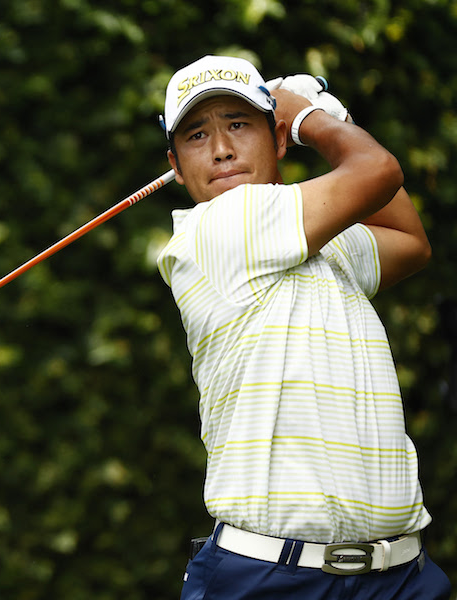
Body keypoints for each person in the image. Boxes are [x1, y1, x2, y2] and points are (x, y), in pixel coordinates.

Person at [156, 55, 452, 599]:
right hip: (273, 580)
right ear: (175, 164)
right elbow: (378, 171)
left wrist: (330, 117)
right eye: (197, 135)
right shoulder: (218, 228)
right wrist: (313, 118)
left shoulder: (319, 237)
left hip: (400, 576)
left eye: (238, 124)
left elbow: (409, 241)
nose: (221, 148)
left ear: (276, 140)